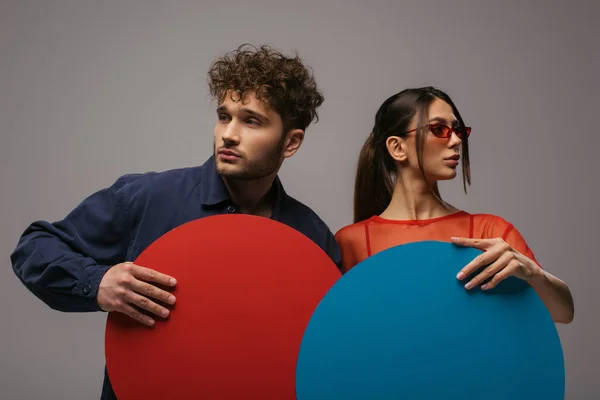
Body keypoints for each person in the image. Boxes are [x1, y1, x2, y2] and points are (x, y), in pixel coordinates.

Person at [10, 44, 342, 399]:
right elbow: (34, 247)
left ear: (291, 142)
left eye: (251, 121)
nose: (228, 134)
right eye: (224, 116)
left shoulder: (311, 237)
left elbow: (329, 354)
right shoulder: (149, 196)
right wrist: (99, 282)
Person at [334, 86, 574, 324]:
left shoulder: (490, 232)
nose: (457, 140)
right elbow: (337, 333)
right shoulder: (351, 242)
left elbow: (562, 313)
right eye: (439, 129)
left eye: (458, 130)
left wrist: (533, 273)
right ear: (397, 147)